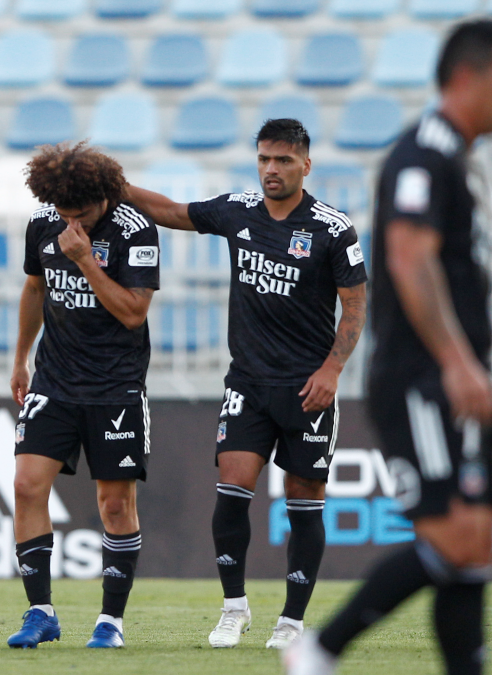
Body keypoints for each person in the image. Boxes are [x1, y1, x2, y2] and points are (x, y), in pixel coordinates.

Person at [285, 19, 492, 675]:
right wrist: (457, 364)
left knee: (475, 540)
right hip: (424, 377)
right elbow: (408, 258)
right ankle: (320, 649)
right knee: (453, 537)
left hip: (455, 374)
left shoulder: (453, 158)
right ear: (467, 78)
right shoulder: (422, 156)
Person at [125, 119, 368, 650]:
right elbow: (173, 212)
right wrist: (116, 186)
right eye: (263, 159)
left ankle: (292, 621)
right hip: (248, 384)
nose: (271, 169)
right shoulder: (238, 210)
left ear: (306, 164)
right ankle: (234, 608)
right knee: (232, 493)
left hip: (307, 389)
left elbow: (355, 306)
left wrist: (332, 370)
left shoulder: (332, 229)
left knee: (304, 501)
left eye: (283, 160)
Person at [7, 142, 159, 650]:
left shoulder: (136, 230)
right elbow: (35, 289)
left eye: (83, 214)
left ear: (104, 197)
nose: (72, 223)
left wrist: (86, 260)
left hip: (115, 386)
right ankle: (40, 612)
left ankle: (111, 621)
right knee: (27, 486)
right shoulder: (42, 223)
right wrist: (20, 358)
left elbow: (133, 312)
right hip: (54, 380)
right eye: (64, 213)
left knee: (114, 504)